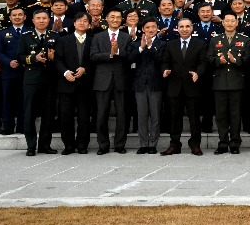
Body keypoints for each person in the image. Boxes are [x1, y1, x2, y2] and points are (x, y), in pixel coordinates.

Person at [90, 8, 136, 155]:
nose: (115, 20)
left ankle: (120, 144)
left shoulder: (126, 37)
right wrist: (109, 54)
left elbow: (130, 57)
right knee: (101, 114)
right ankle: (103, 145)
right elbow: (93, 56)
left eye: (118, 17)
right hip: (102, 80)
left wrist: (117, 52)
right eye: (112, 17)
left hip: (121, 80)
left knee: (122, 114)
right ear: (107, 19)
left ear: (122, 19)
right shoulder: (98, 37)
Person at [161, 18, 209, 155]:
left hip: (192, 86)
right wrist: (165, 70)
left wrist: (198, 73)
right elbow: (165, 61)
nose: (184, 29)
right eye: (181, 26)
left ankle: (195, 144)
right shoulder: (170, 45)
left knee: (194, 119)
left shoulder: (199, 44)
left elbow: (203, 63)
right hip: (174, 86)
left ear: (192, 28)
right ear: (177, 29)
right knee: (175, 119)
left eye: (187, 26)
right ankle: (174, 145)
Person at [17, 10, 61, 156]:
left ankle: (44, 145)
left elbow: (60, 57)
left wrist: (52, 57)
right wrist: (35, 59)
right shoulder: (26, 36)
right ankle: (30, 145)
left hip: (49, 80)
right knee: (29, 113)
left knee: (48, 114)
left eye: (44, 18)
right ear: (33, 20)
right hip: (31, 79)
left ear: (49, 20)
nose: (41, 21)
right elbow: (20, 57)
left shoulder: (55, 36)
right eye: (38, 18)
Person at [208, 13, 250, 154]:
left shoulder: (245, 39)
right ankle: (222, 143)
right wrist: (218, 61)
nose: (230, 23)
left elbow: (247, 59)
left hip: (237, 81)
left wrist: (235, 61)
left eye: (233, 21)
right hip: (219, 82)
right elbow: (209, 58)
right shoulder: (215, 39)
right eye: (227, 21)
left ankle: (234, 143)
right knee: (220, 115)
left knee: (235, 114)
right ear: (223, 23)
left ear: (237, 23)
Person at [54, 13, 93, 154]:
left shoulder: (93, 40)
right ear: (74, 23)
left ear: (89, 24)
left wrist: (85, 69)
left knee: (84, 117)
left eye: (85, 21)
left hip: (85, 84)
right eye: (79, 21)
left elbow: (94, 60)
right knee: (66, 116)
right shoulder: (64, 40)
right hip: (66, 84)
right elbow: (58, 59)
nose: (82, 23)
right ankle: (68, 145)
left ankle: (82, 145)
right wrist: (65, 73)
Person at [132, 19, 166, 154]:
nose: (150, 29)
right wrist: (141, 48)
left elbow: (160, 59)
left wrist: (151, 46)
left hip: (155, 84)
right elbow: (130, 59)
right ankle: (143, 143)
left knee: (156, 115)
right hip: (140, 84)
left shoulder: (162, 44)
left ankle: (153, 144)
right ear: (143, 30)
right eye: (147, 27)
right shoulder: (135, 44)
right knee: (142, 115)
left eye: (153, 27)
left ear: (157, 29)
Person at [0, 6, 27, 135]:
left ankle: (22, 127)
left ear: (24, 17)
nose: (17, 17)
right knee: (7, 100)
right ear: (10, 17)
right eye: (14, 15)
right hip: (8, 72)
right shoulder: (3, 33)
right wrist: (9, 62)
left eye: (20, 15)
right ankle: (7, 127)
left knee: (23, 101)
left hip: (25, 72)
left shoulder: (30, 31)